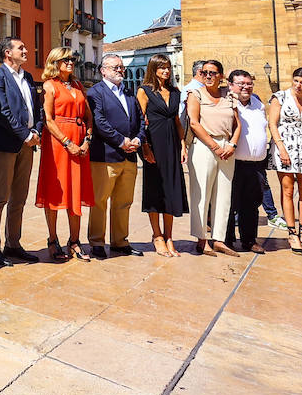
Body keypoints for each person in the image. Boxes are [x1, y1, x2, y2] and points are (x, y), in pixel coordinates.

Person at [0, 37, 43, 265]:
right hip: (7, 145)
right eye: (21, 47)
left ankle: (13, 243)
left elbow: (36, 109)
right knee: (0, 197)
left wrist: (36, 131)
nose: (27, 50)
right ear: (8, 53)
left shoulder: (27, 77)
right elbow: (3, 112)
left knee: (19, 197)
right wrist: (26, 134)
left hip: (28, 144)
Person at [37, 47, 95, 262]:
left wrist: (87, 139)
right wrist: (67, 142)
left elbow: (89, 116)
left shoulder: (79, 85)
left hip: (80, 143)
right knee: (54, 190)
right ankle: (52, 240)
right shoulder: (49, 86)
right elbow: (49, 120)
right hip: (58, 143)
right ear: (55, 62)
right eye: (66, 59)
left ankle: (75, 241)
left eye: (73, 59)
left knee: (76, 191)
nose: (71, 62)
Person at [86, 53, 145, 258]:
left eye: (121, 67)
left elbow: (140, 121)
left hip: (129, 157)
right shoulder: (95, 92)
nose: (120, 70)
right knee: (100, 201)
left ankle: (120, 241)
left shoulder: (129, 93)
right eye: (115, 67)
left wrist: (137, 139)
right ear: (103, 70)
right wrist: (121, 141)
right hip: (105, 156)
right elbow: (99, 122)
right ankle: (96, 242)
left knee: (123, 201)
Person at [183, 59, 241, 257]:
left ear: (221, 76)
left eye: (213, 73)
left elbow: (238, 124)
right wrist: (214, 146)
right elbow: (194, 123)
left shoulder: (229, 95)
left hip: (227, 146)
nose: (208, 76)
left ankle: (219, 239)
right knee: (202, 194)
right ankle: (202, 240)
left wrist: (232, 144)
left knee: (224, 194)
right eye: (205, 72)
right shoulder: (195, 94)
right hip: (204, 147)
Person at [266, 66, 302, 255]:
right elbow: (272, 124)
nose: (298, 85)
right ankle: (292, 233)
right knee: (288, 190)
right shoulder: (280, 97)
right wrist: (281, 148)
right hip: (285, 146)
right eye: (296, 81)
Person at [138, 53, 187, 258]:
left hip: (173, 146)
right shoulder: (144, 91)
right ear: (153, 69)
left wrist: (183, 145)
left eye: (167, 67)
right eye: (161, 67)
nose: (166, 70)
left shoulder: (175, 92)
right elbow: (140, 121)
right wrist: (145, 148)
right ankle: (157, 235)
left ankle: (169, 236)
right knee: (155, 189)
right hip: (153, 146)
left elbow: (177, 121)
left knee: (171, 190)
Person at [224, 70, 269, 254]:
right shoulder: (226, 104)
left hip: (256, 165)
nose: (245, 87)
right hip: (233, 163)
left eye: (249, 83)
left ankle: (249, 240)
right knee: (229, 204)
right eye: (241, 83)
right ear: (230, 85)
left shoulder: (258, 104)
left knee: (251, 205)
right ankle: (226, 240)